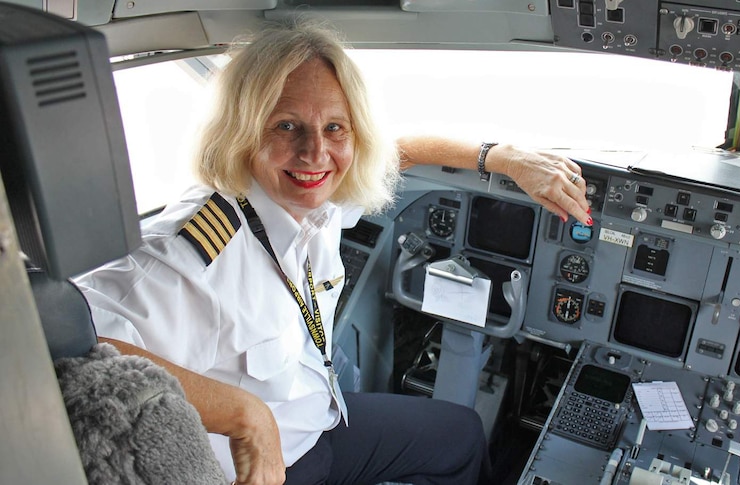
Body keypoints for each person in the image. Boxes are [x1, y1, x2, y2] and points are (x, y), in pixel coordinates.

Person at [74, 19, 592, 485]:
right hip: (269, 467)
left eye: (335, 128)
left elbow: (397, 151)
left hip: (318, 420)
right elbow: (68, 345)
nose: (315, 154)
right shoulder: (192, 251)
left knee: (459, 433)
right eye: (286, 126)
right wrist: (244, 416)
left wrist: (500, 157)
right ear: (240, 131)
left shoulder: (314, 200)